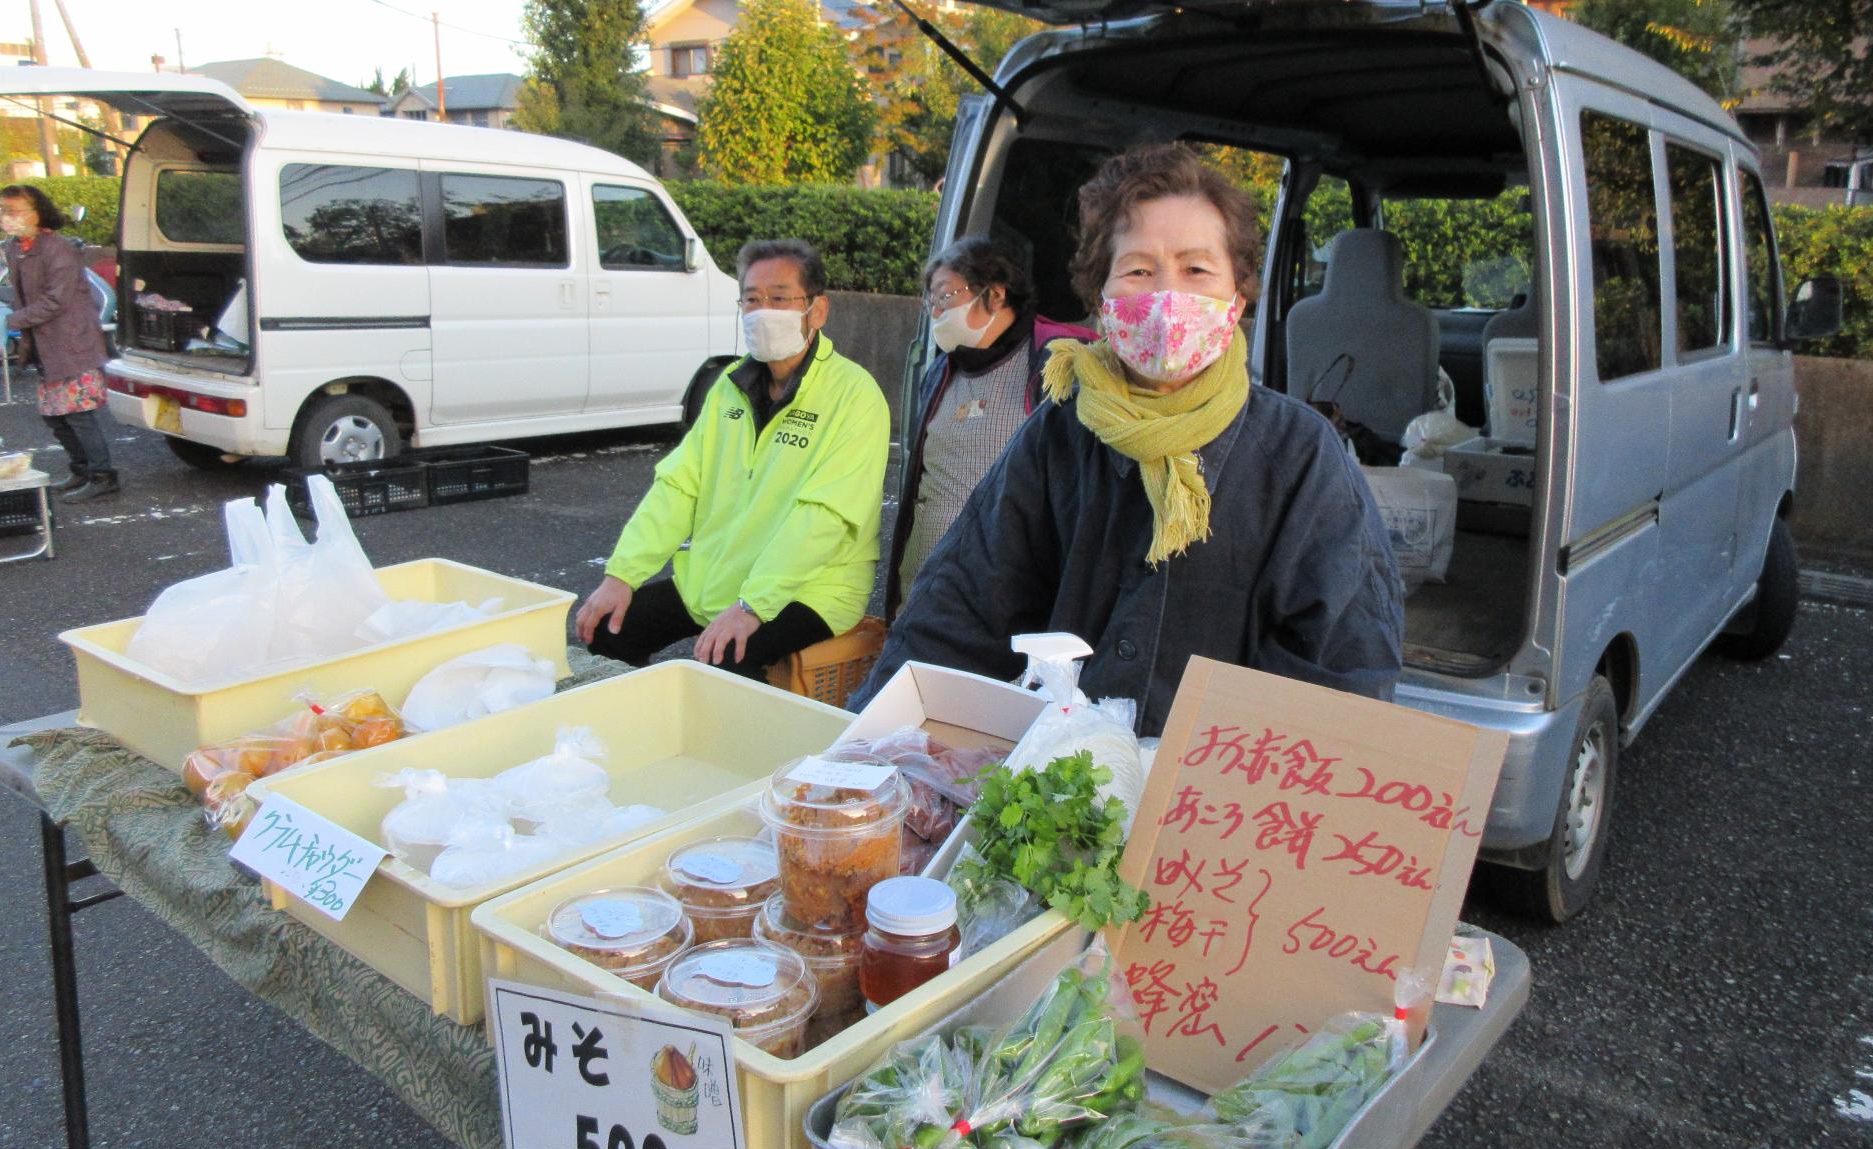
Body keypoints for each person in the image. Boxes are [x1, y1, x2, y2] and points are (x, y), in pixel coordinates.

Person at [851, 144, 1403, 736]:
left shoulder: (1298, 455)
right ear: (1102, 300)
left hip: (1206, 801)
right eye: (1139, 270)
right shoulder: (1059, 434)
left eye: (1196, 271)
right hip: (1062, 786)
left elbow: (1342, 671)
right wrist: (866, 741)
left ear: (1236, 298)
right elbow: (961, 608)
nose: (1167, 299)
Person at [575, 238, 891, 681]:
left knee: (724, 661)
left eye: (779, 298)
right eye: (751, 299)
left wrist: (752, 606)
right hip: (724, 577)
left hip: (814, 587)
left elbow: (824, 519)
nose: (763, 310)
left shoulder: (854, 395)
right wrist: (622, 575)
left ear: (817, 310)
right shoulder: (730, 384)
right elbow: (680, 485)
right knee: (606, 631)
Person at [886, 235, 1094, 613]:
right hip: (923, 594)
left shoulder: (1055, 362)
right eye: (931, 301)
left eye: (946, 296)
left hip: (1003, 603)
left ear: (995, 294)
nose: (935, 312)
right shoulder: (941, 370)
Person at [0, 185, 119, 502]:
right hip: (46, 345)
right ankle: (82, 470)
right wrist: (9, 314)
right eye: (4, 210)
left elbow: (55, 301)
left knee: (78, 414)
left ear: (37, 212)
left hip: (71, 343)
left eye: (15, 211)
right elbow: (23, 295)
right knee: (55, 416)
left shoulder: (57, 248)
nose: (8, 217)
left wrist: (10, 321)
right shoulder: (17, 248)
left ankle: (104, 476)